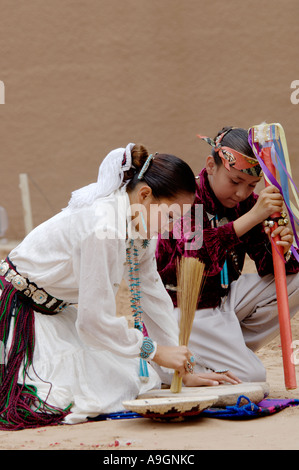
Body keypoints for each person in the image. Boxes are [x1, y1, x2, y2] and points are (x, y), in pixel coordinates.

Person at [0, 143, 240, 430]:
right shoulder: (104, 228)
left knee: (141, 379)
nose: (169, 229)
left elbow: (153, 295)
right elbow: (93, 321)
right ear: (145, 195)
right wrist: (154, 350)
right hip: (19, 314)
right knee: (77, 395)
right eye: (171, 216)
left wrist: (181, 369)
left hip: (55, 315)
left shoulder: (137, 224)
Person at [156, 126, 299, 384]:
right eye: (235, 182)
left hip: (224, 298)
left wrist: (283, 250)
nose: (242, 193)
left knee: (297, 280)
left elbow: (267, 266)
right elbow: (195, 254)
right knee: (252, 376)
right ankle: (195, 362)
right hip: (187, 307)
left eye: (252, 185)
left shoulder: (244, 204)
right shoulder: (188, 197)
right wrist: (254, 216)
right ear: (211, 165)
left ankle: (227, 349)